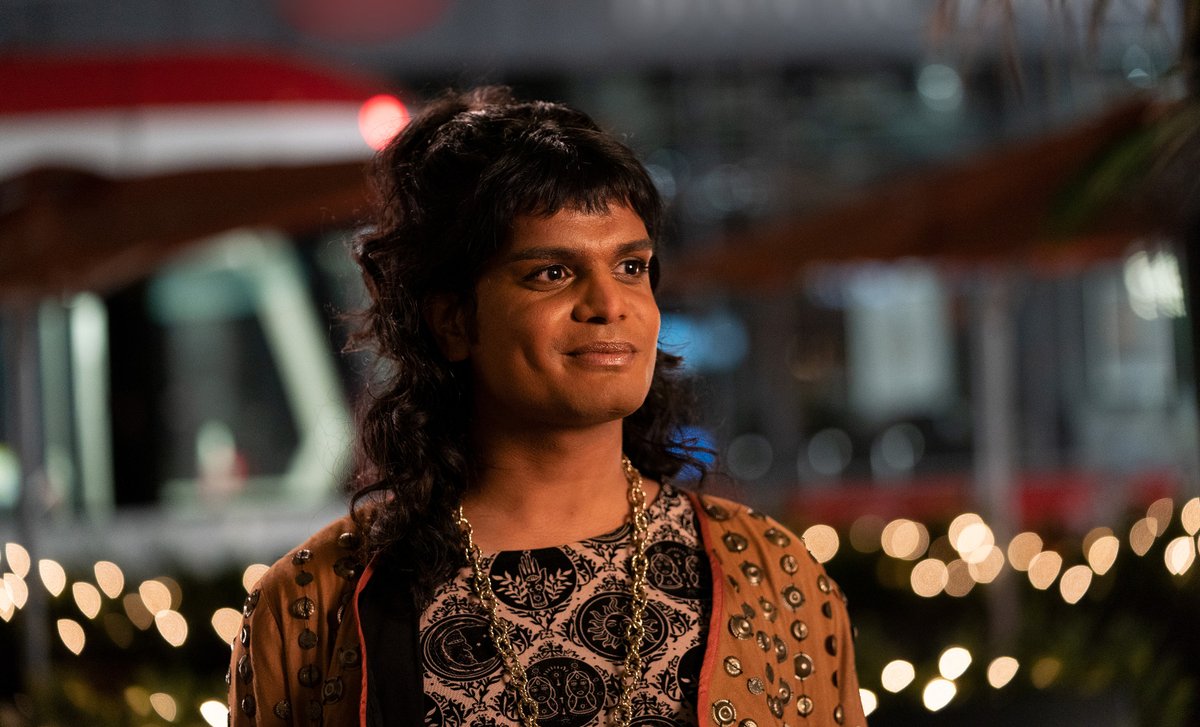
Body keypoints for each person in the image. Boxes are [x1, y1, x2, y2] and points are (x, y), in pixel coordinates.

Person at [228, 86, 867, 727]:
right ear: (453, 321)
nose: (609, 305)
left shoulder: (771, 576)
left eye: (631, 266)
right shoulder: (315, 606)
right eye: (552, 273)